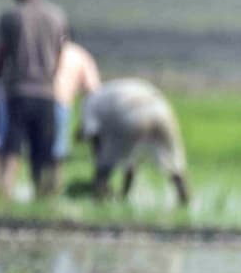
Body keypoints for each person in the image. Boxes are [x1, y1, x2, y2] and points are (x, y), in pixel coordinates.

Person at [0, 0, 67, 199]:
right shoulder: (57, 16)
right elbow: (60, 54)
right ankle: (45, 203)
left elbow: (1, 55)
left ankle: (2, 199)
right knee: (43, 155)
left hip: (18, 92)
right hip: (47, 94)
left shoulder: (11, 16)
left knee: (11, 152)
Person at [79, 78, 189, 206]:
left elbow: (93, 135)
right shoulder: (108, 92)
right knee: (173, 163)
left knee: (104, 165)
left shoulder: (89, 102)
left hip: (130, 111)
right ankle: (184, 198)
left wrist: (101, 165)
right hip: (161, 108)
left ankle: (99, 199)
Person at [51, 40, 102, 189]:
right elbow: (93, 89)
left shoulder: (44, 48)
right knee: (57, 151)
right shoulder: (78, 54)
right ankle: (54, 186)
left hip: (39, 98)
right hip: (60, 101)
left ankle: (41, 186)